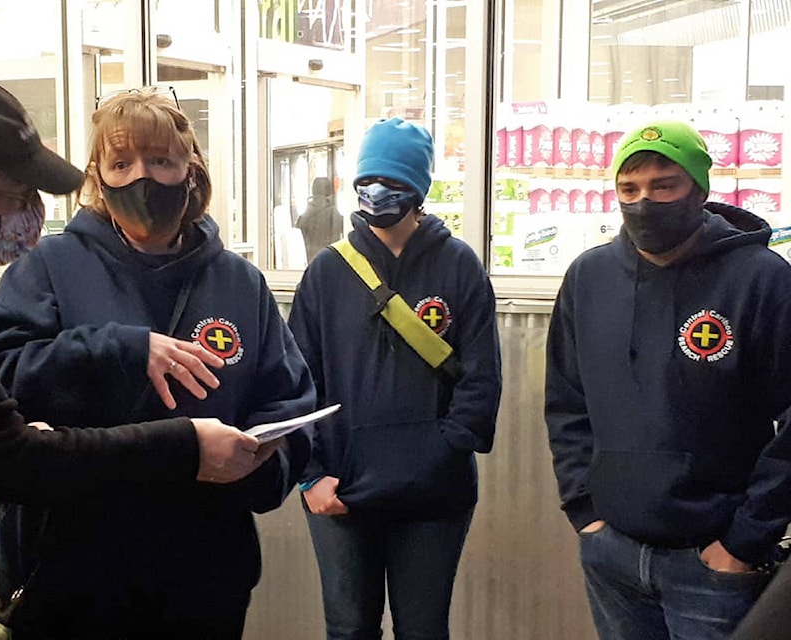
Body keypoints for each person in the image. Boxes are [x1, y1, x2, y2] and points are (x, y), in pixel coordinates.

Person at [0, 72, 267, 640]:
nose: (29, 215)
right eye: (14, 197)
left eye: (161, 161)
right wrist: (182, 440)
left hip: (203, 569)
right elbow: (11, 458)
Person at [0, 88, 316, 639]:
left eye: (161, 160)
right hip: (69, 572)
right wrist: (121, 348)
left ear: (191, 169)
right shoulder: (49, 266)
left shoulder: (238, 282)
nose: (143, 177)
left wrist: (260, 468)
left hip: (203, 574)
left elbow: (291, 401)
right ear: (97, 176)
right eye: (121, 162)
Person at [544, 120, 791, 639]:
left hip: (714, 564)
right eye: (628, 189)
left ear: (698, 190)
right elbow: (567, 401)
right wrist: (585, 510)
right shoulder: (588, 279)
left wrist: (744, 543)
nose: (644, 203)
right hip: (611, 554)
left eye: (664, 186)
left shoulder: (762, 280)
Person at [288, 117, 502, 639]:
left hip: (435, 496)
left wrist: (443, 449)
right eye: (367, 183)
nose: (377, 194)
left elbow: (481, 380)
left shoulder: (459, 267)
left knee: (424, 629)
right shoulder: (327, 272)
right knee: (348, 627)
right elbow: (295, 382)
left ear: (419, 190)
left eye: (393, 184)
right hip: (341, 490)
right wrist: (310, 475)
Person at [296, 176, 343, 261]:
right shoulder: (334, 214)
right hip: (328, 261)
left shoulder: (304, 216)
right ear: (329, 191)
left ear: (313, 191)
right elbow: (337, 241)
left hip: (308, 263)